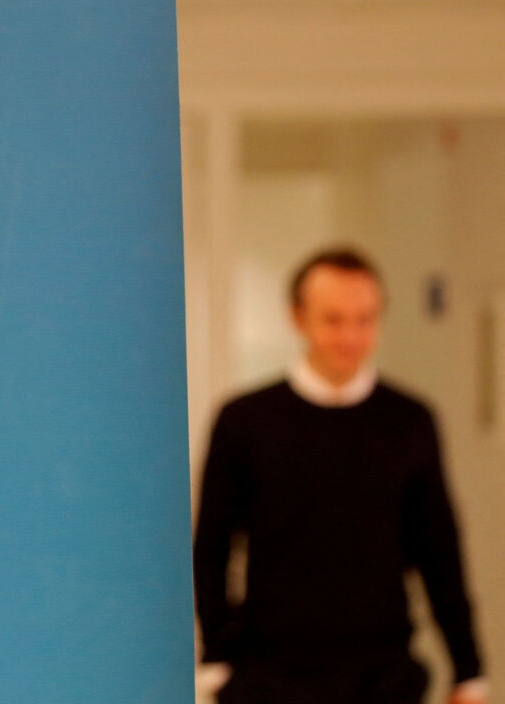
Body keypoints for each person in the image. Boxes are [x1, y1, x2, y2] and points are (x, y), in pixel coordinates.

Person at [193, 247, 488, 704]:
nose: (350, 336)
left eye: (365, 319)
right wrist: (214, 658)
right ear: (298, 318)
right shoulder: (244, 421)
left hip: (383, 675)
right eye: (333, 320)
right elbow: (212, 546)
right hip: (270, 675)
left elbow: (440, 552)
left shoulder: (410, 420)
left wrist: (469, 670)